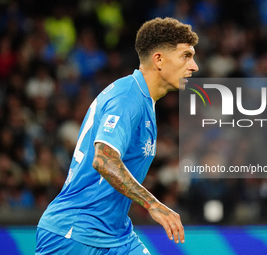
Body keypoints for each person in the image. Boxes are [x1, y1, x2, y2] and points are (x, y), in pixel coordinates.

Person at [35, 17, 199, 255]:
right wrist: (153, 204)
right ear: (159, 60)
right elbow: (103, 160)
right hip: (76, 233)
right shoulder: (127, 98)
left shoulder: (144, 100)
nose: (194, 66)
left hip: (116, 235)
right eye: (186, 56)